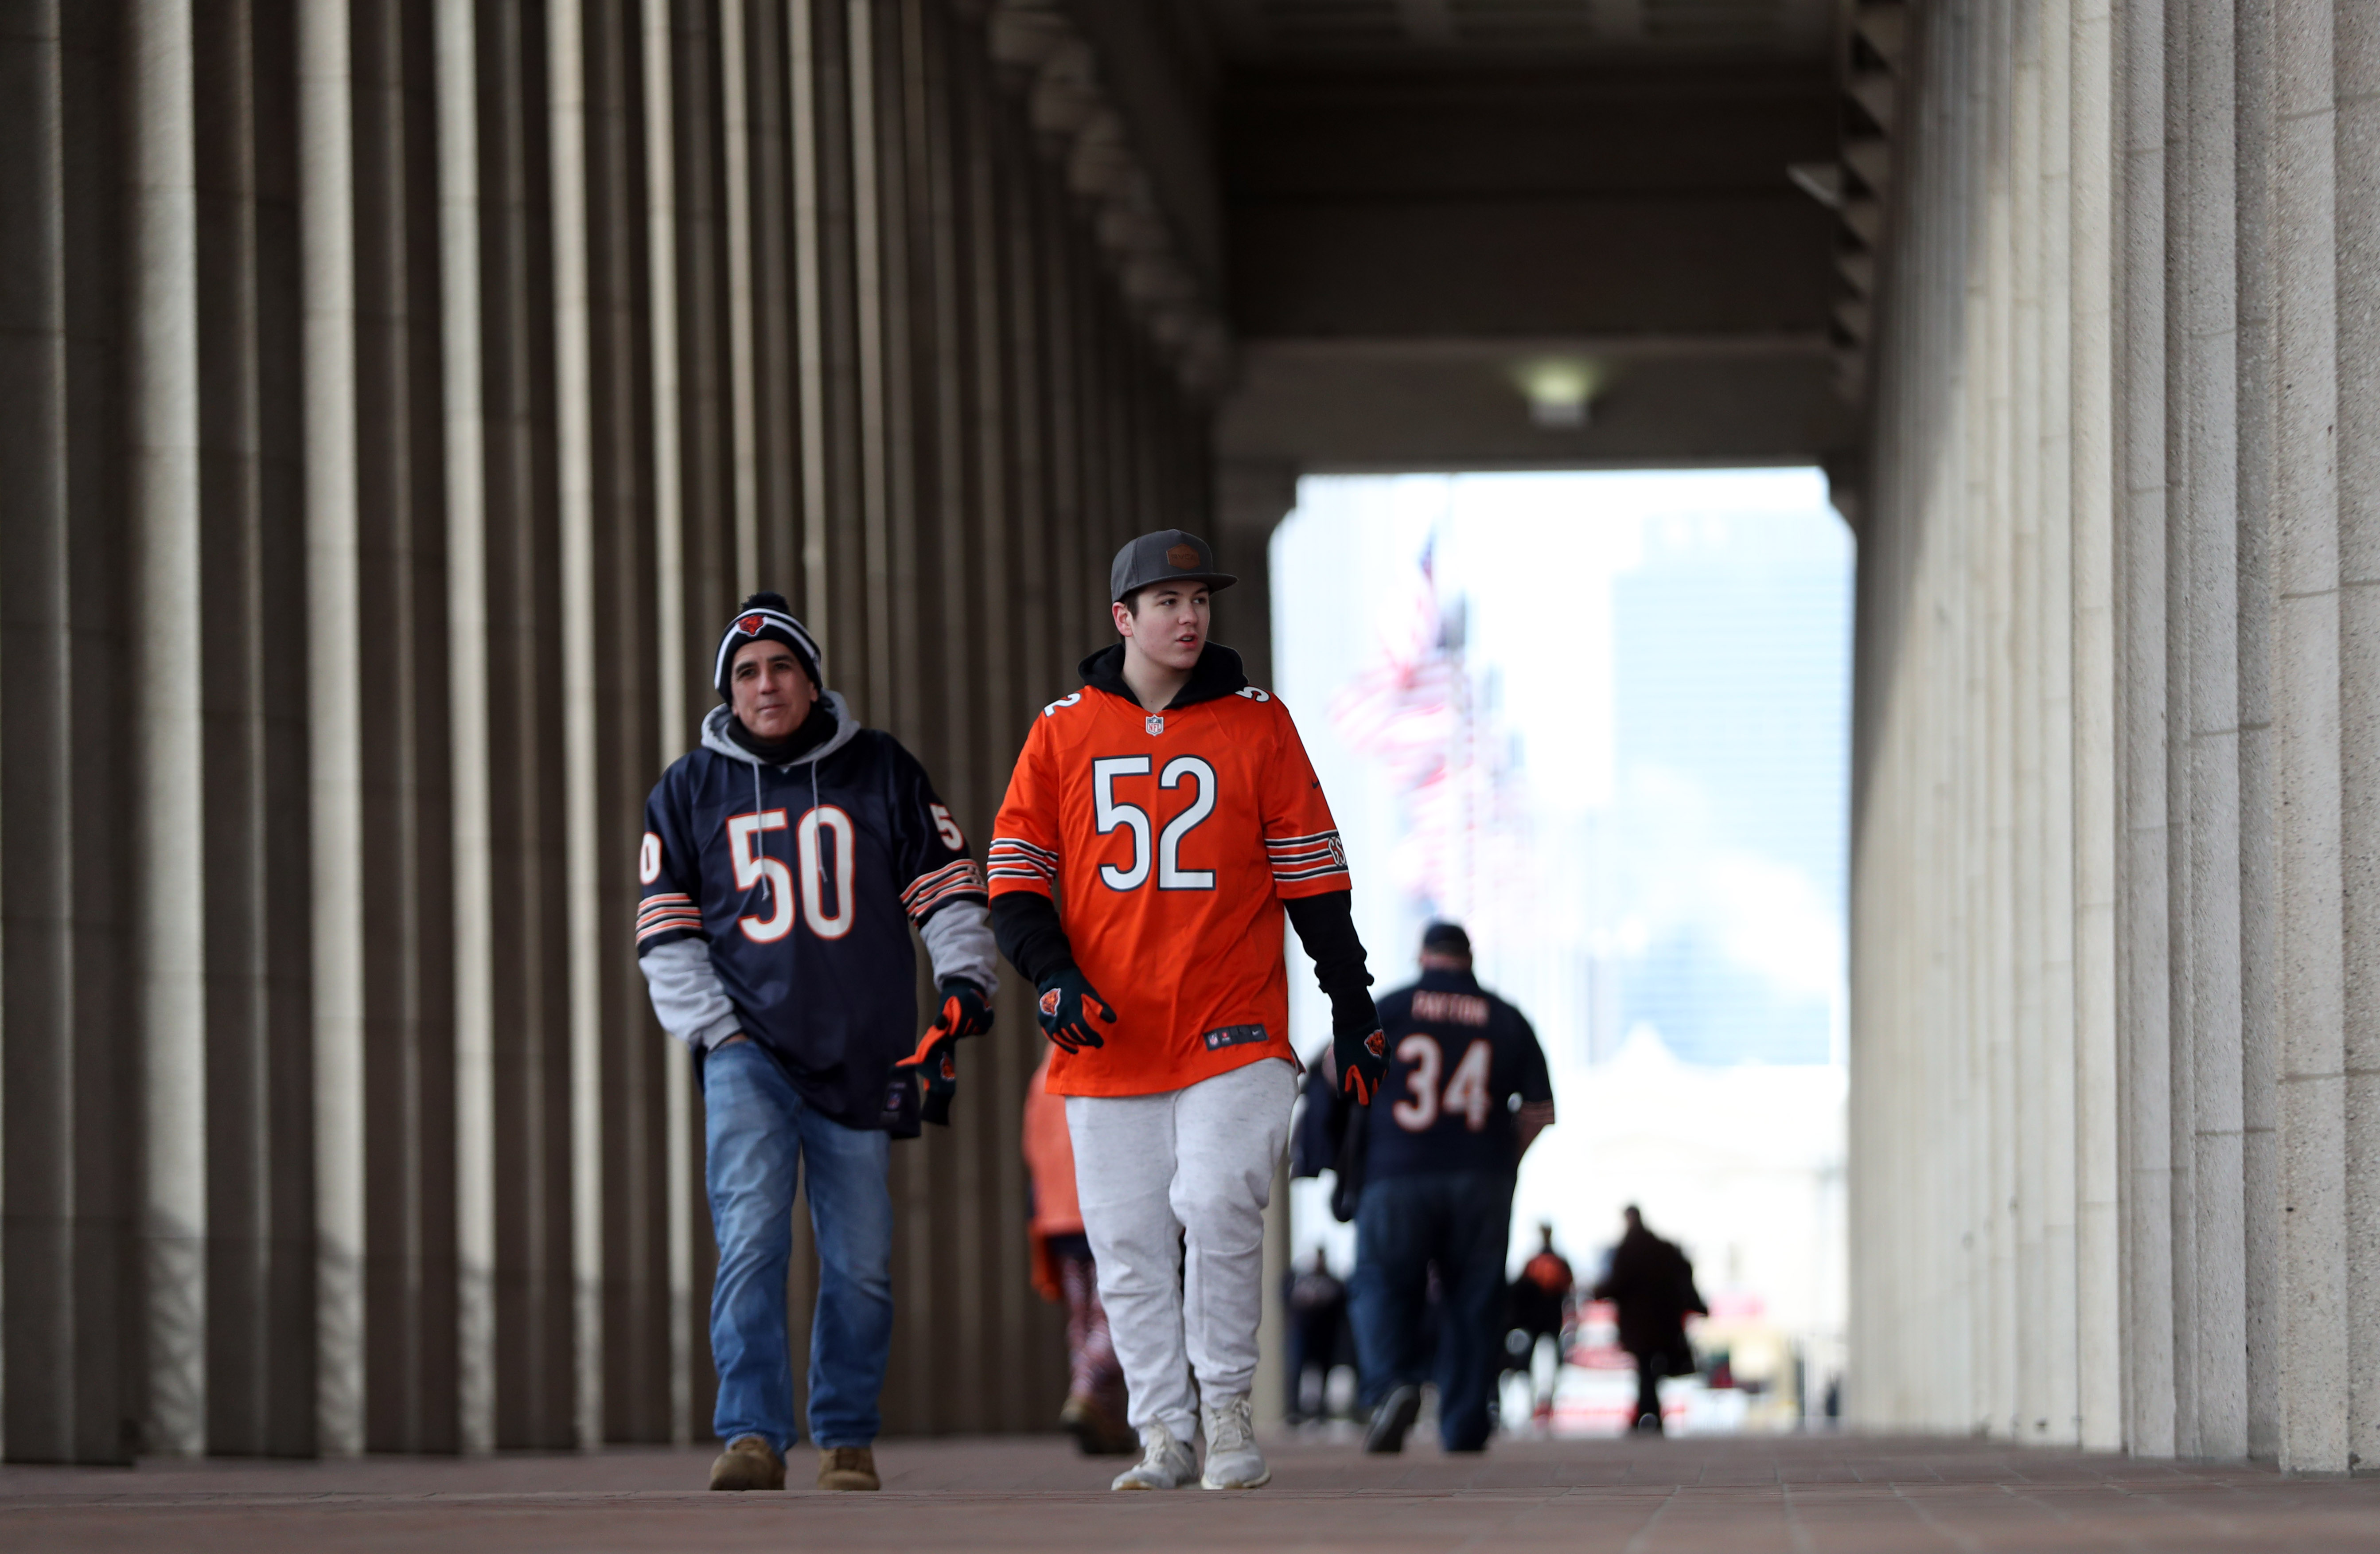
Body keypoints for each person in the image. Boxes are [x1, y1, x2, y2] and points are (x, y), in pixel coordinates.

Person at [989, 529, 1387, 1492]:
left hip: (1233, 1024)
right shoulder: (1062, 730)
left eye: (1200, 598)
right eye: (1166, 601)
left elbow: (1314, 881)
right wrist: (1051, 975)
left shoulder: (1260, 725)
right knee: (1125, 1241)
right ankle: (1162, 1431)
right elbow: (1014, 879)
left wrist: (1351, 999)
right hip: (1108, 1034)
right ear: (1123, 618)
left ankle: (1226, 1407)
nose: (1190, 615)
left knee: (1216, 1201)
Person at [637, 593, 997, 1492]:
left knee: (863, 1261)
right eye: (748, 673)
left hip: (865, 1050)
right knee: (752, 1240)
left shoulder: (880, 769)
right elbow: (666, 934)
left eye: (782, 667)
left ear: (812, 677)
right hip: (747, 1051)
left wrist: (966, 978)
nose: (767, 684)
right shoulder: (687, 789)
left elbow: (948, 884)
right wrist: (717, 1033)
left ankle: (845, 1434)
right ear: (729, 689)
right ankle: (753, 1432)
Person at [1340, 921, 1555, 1454]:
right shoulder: (1507, 1018)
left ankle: (1392, 1386)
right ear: (1469, 956)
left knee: (1384, 1286)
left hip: (1395, 1173)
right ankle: (1462, 1424)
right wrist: (1504, 1160)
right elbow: (1537, 1111)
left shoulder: (1389, 1008)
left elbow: (1337, 1073)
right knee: (1474, 1300)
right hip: (1479, 1176)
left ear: (1423, 955)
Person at [1022, 1048, 1136, 1455]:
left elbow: (1032, 1150)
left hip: (1057, 1215)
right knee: (1120, 1313)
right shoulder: (1105, 1060)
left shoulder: (1043, 1074)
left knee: (1084, 1318)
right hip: (1103, 1207)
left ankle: (1105, 1419)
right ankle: (1086, 1390)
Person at [1590, 1205, 1707, 1435]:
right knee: (1650, 1368)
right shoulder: (1664, 1249)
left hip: (1640, 1324)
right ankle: (1650, 1413)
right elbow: (1683, 1275)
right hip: (1664, 1321)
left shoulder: (1629, 1250)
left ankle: (1647, 1414)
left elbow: (1618, 1283)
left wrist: (1598, 1292)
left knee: (1645, 1368)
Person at [1511, 1224, 1576, 1425]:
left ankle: (1533, 1403)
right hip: (1553, 1318)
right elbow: (1569, 1290)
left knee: (1529, 1363)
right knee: (1554, 1362)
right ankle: (1549, 1402)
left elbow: (1519, 1290)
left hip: (1533, 1321)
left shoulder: (1533, 1262)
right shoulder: (1560, 1261)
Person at [1284, 1250, 1348, 1422]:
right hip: (1302, 1334)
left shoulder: (1332, 1282)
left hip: (1325, 1337)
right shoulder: (1299, 1280)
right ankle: (1294, 1410)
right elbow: (1285, 1296)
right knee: (1296, 1370)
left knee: (1324, 1372)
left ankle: (1322, 1411)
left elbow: (1342, 1299)